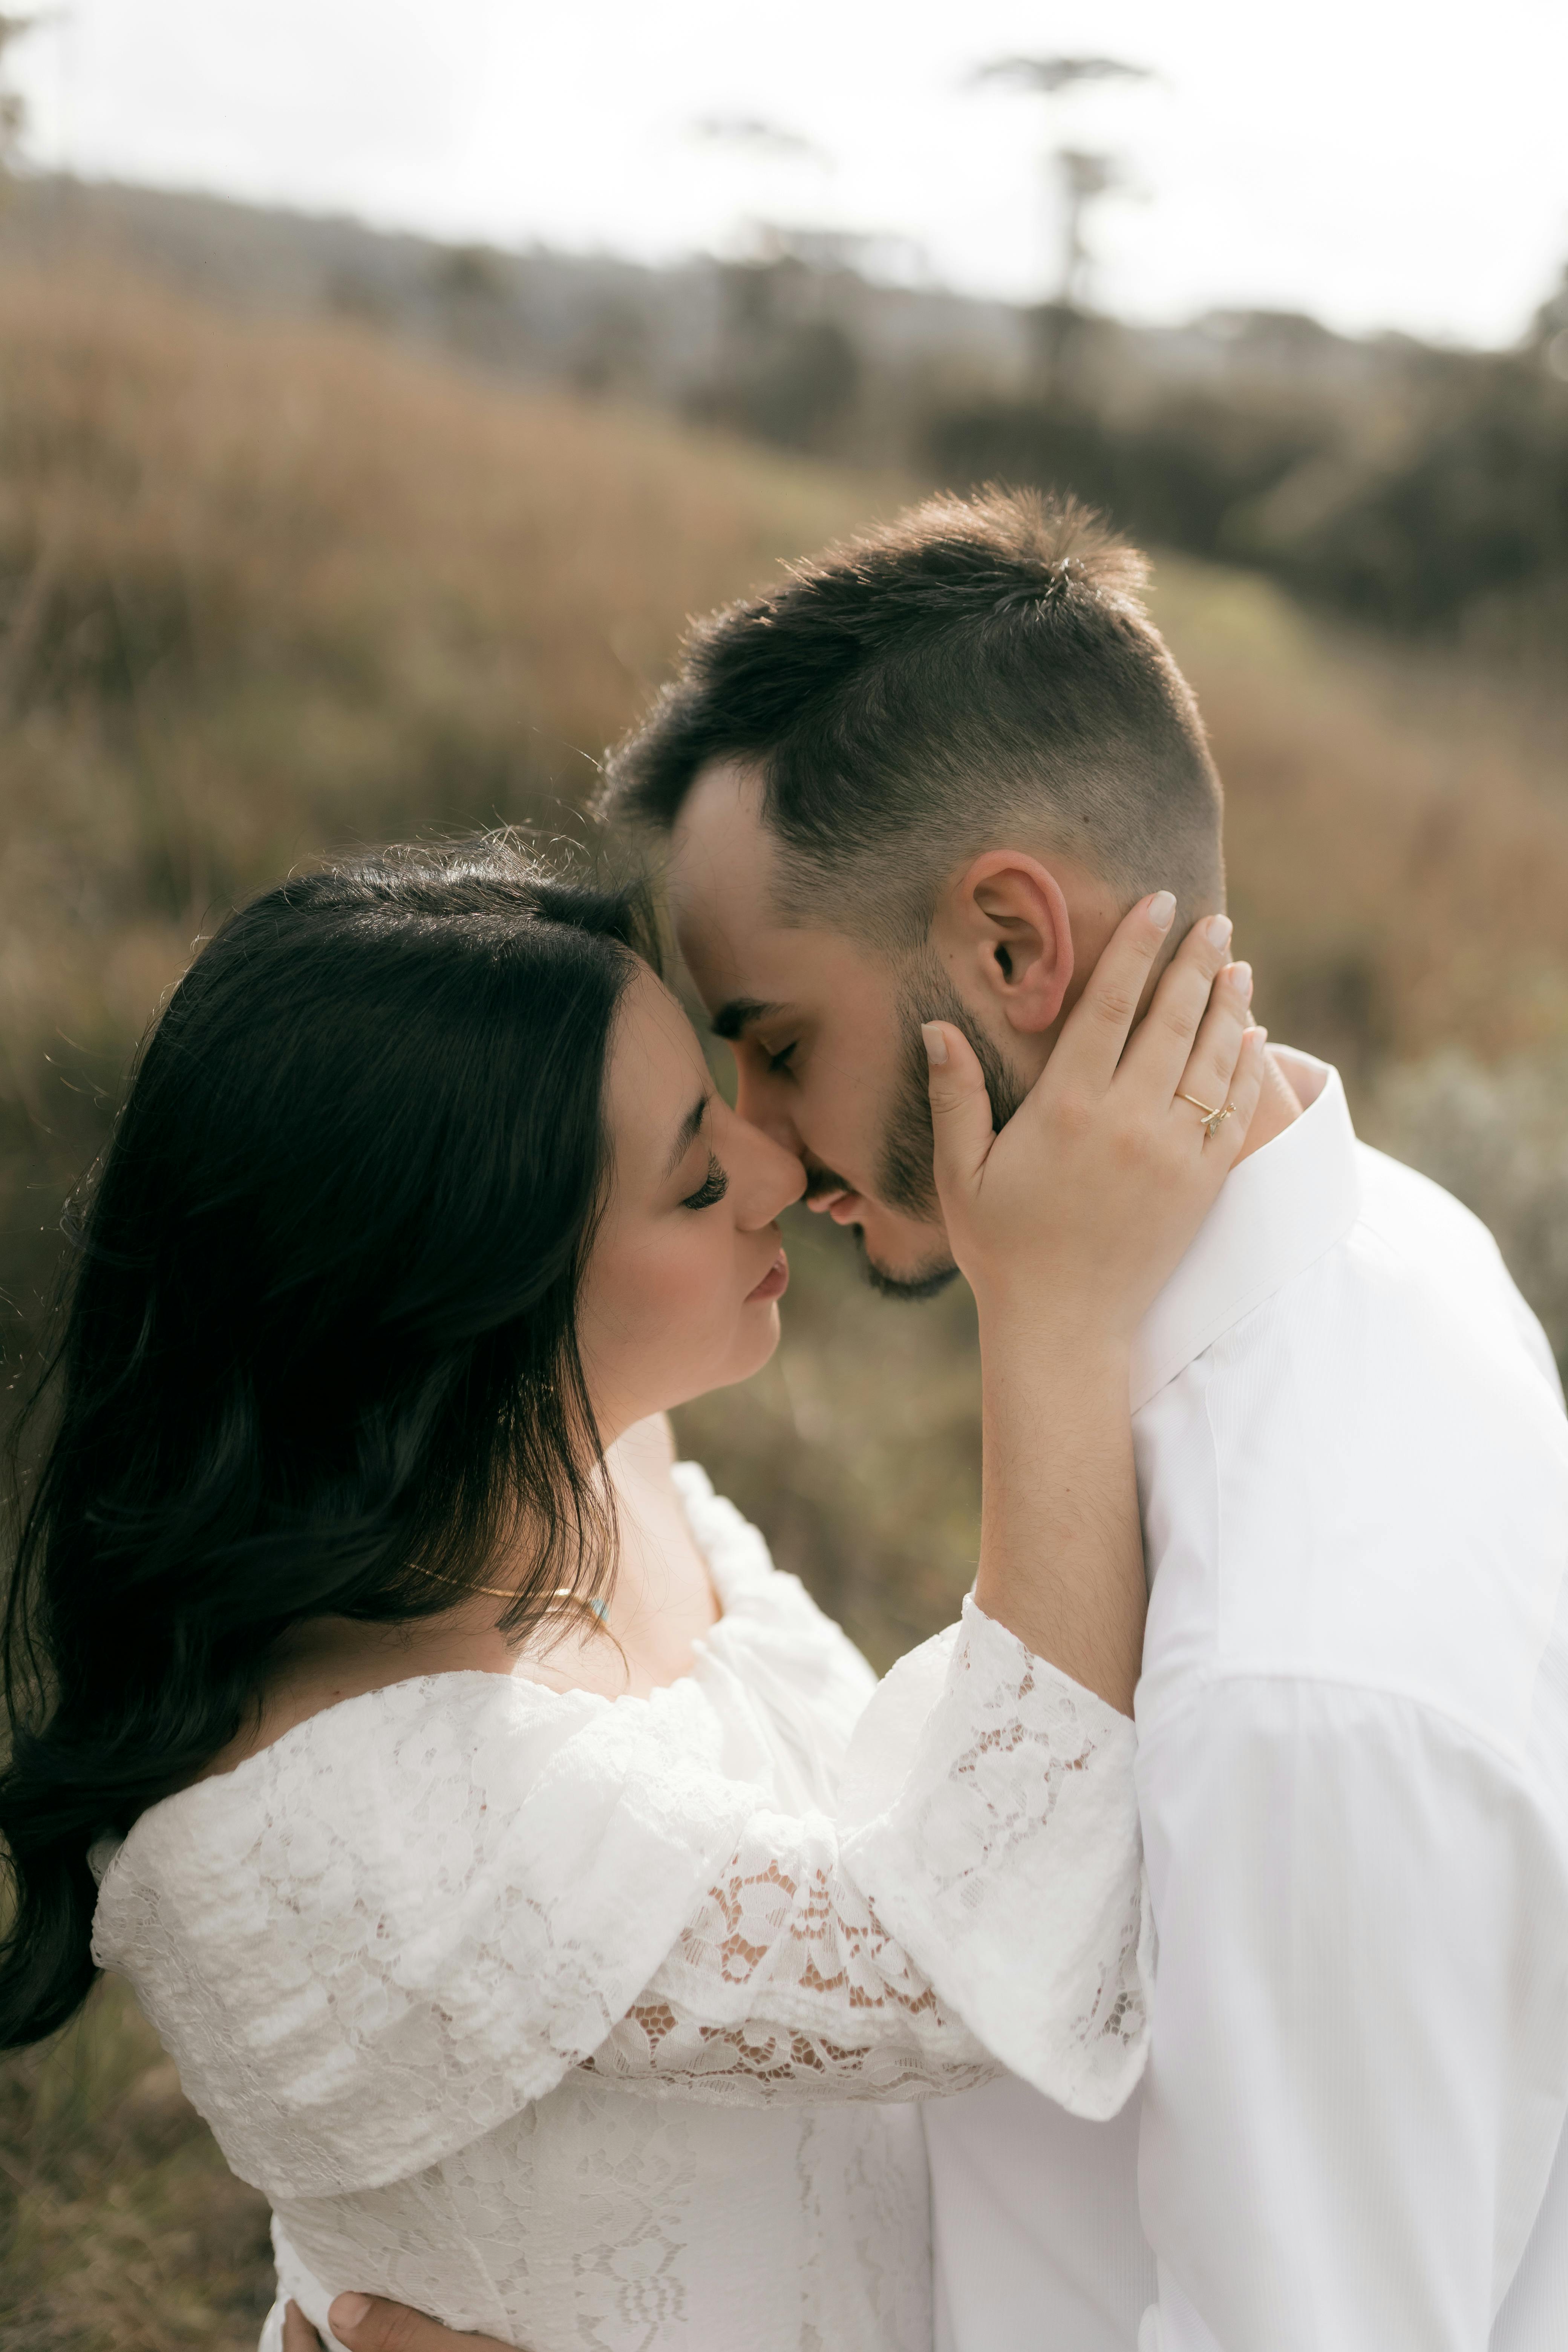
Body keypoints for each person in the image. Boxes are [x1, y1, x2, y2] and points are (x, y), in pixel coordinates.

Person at [0, 837, 1263, 2352]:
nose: (779, 1174)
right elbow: (968, 1956)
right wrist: (1050, 1317)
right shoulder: (340, 1815)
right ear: (468, 1312)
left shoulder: (607, 1466)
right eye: (691, 1179)